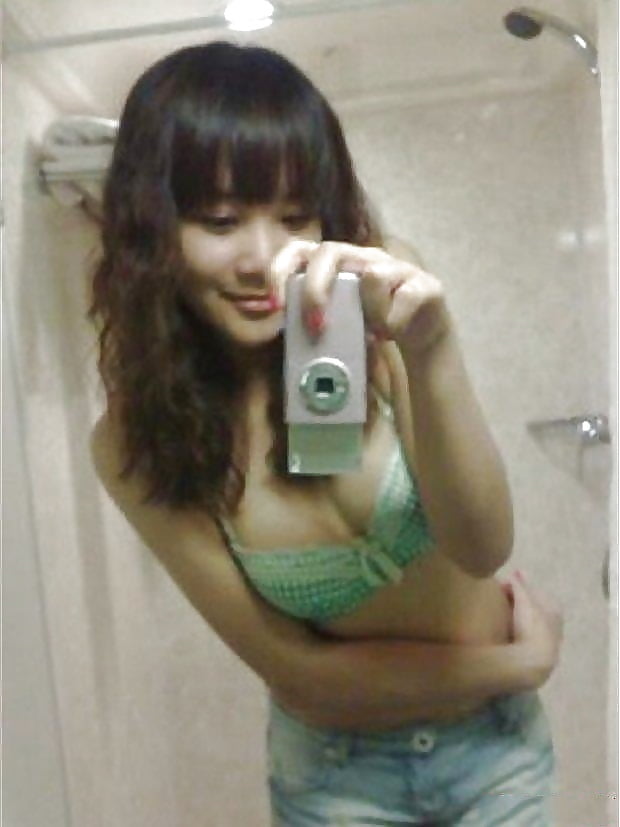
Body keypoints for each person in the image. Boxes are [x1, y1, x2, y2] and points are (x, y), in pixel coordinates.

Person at [88, 41, 562, 826]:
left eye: (294, 215)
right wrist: (520, 662)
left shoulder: (379, 301)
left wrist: (431, 349)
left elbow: (482, 546)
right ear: (153, 226)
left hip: (497, 757)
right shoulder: (134, 440)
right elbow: (302, 677)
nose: (263, 258)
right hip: (334, 779)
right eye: (220, 220)